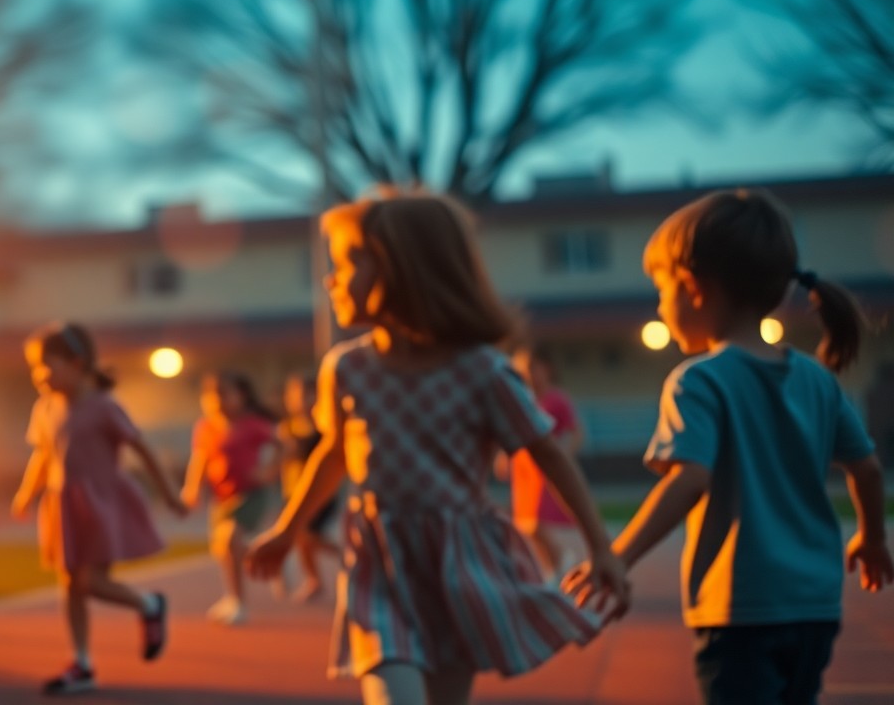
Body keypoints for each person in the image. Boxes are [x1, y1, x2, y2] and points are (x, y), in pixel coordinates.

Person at [246, 192, 627, 705]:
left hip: (459, 562)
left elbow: (549, 454)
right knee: (391, 685)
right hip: (380, 559)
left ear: (400, 271)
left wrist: (600, 546)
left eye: (345, 264)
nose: (329, 279)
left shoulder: (483, 372)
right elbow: (335, 453)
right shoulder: (347, 369)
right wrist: (287, 528)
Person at [565, 188, 893, 705]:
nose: (659, 306)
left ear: (693, 288)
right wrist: (872, 539)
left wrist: (617, 556)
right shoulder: (818, 381)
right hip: (816, 603)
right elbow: (868, 470)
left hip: (739, 606)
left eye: (661, 290)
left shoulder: (698, 381)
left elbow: (690, 479)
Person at [11, 322, 189, 696]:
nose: (38, 375)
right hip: (62, 504)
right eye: (33, 368)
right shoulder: (45, 409)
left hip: (100, 503)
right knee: (69, 585)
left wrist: (170, 493)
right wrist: (28, 492)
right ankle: (81, 662)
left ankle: (149, 603)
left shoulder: (104, 407)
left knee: (91, 582)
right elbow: (44, 455)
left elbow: (142, 449)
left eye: (46, 365)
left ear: (78, 363)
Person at [181, 370, 283, 626]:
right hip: (222, 497)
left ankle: (239, 603)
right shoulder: (205, 427)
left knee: (230, 539)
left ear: (242, 396)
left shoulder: (253, 424)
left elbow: (284, 445)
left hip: (251, 493)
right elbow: (201, 458)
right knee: (224, 549)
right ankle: (270, 556)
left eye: (224, 394)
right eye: (211, 395)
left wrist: (269, 471)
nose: (217, 401)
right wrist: (192, 488)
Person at [498, 345, 586, 581]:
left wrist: (562, 457)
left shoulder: (557, 400)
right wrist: (504, 457)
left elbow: (576, 433)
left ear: (546, 369)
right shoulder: (523, 399)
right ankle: (551, 567)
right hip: (525, 467)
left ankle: (561, 559)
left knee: (537, 522)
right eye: (524, 369)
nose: (529, 373)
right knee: (527, 524)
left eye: (533, 367)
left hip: (545, 467)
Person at [276, 370, 341, 602]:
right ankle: (314, 580)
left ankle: (347, 555)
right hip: (293, 491)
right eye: (293, 395)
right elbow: (282, 460)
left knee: (305, 534)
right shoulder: (288, 427)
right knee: (302, 539)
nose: (299, 400)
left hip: (321, 492)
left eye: (305, 394)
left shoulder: (325, 425)